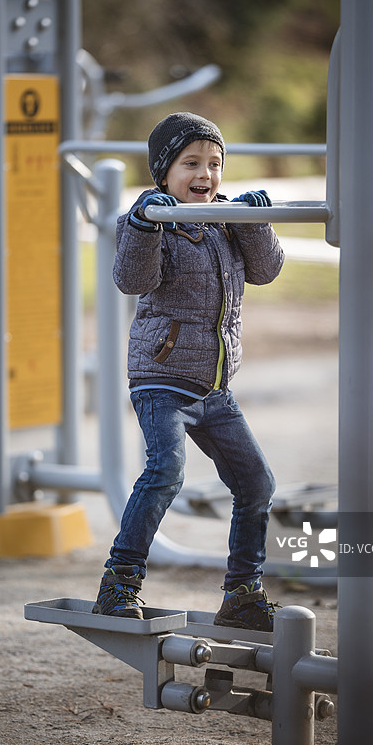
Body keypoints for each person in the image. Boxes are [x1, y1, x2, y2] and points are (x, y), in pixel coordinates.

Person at [93, 112, 285, 631]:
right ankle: (119, 583)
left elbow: (266, 270)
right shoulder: (150, 219)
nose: (205, 174)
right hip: (161, 377)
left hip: (213, 387)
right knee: (166, 471)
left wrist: (254, 221)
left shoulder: (226, 220)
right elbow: (132, 280)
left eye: (215, 163)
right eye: (191, 163)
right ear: (164, 173)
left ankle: (242, 594)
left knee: (257, 482)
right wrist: (144, 223)